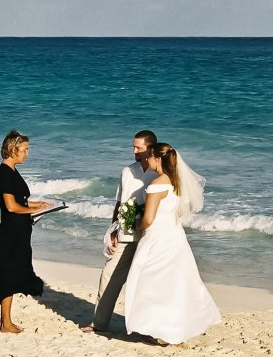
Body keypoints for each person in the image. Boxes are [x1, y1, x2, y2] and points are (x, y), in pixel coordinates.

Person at [123, 142, 221, 345]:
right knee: (174, 285)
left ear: (158, 159)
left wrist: (135, 223)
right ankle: (171, 329)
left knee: (151, 284)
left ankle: (158, 329)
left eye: (150, 156)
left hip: (157, 239)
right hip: (175, 237)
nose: (147, 159)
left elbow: (149, 219)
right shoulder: (176, 183)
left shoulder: (157, 185)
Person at [80, 130, 158, 333]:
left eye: (138, 148)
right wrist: (113, 229)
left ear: (150, 148)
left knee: (146, 282)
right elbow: (118, 203)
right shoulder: (127, 171)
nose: (133, 151)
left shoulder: (158, 173)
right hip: (125, 233)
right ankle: (99, 323)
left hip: (149, 236)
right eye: (133, 147)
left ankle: (147, 328)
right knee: (109, 274)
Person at [0, 130, 51, 334]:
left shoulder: (12, 171)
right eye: (25, 149)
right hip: (11, 233)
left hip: (19, 231)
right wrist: (32, 210)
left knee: (15, 272)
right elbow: (11, 207)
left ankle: (6, 321)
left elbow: (21, 201)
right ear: (13, 149)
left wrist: (39, 205)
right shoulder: (5, 174)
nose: (27, 153)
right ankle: (5, 323)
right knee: (8, 276)